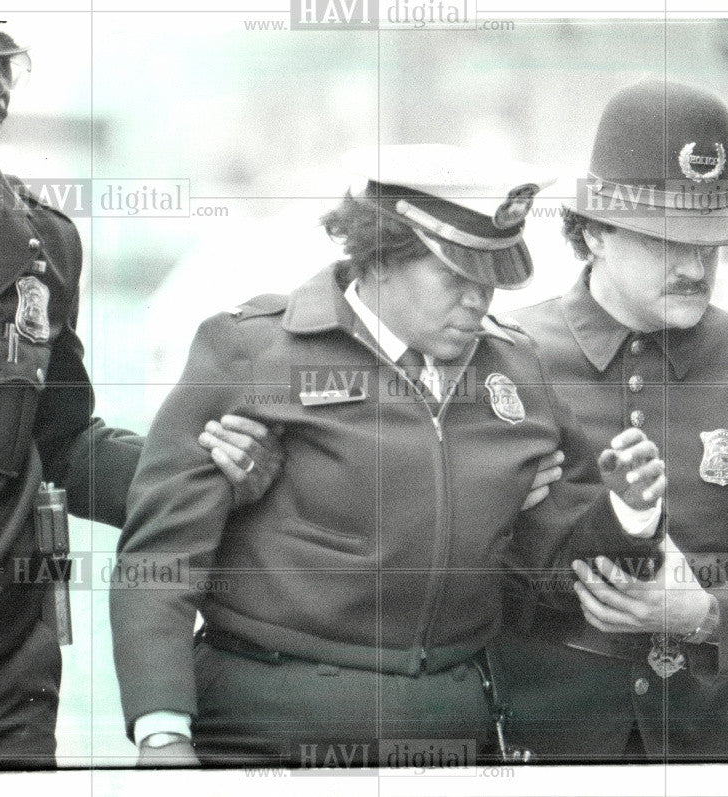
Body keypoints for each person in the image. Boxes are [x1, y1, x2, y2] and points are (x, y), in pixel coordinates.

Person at [110, 144, 671, 767]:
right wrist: (162, 733)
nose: (477, 302)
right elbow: (161, 554)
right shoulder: (252, 351)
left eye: (490, 281)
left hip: (452, 735)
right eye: (455, 277)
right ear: (378, 256)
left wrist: (629, 513)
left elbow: (547, 558)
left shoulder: (516, 372)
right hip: (266, 728)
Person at [0, 21, 280, 769]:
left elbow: (62, 445)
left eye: (5, 65)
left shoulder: (42, 247)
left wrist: (207, 470)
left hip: (5, 683)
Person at [493, 79, 728, 762]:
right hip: (528, 749)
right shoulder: (505, 359)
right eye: (665, 240)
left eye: (710, 241)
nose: (695, 264)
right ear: (594, 230)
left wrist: (703, 613)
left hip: (695, 753)